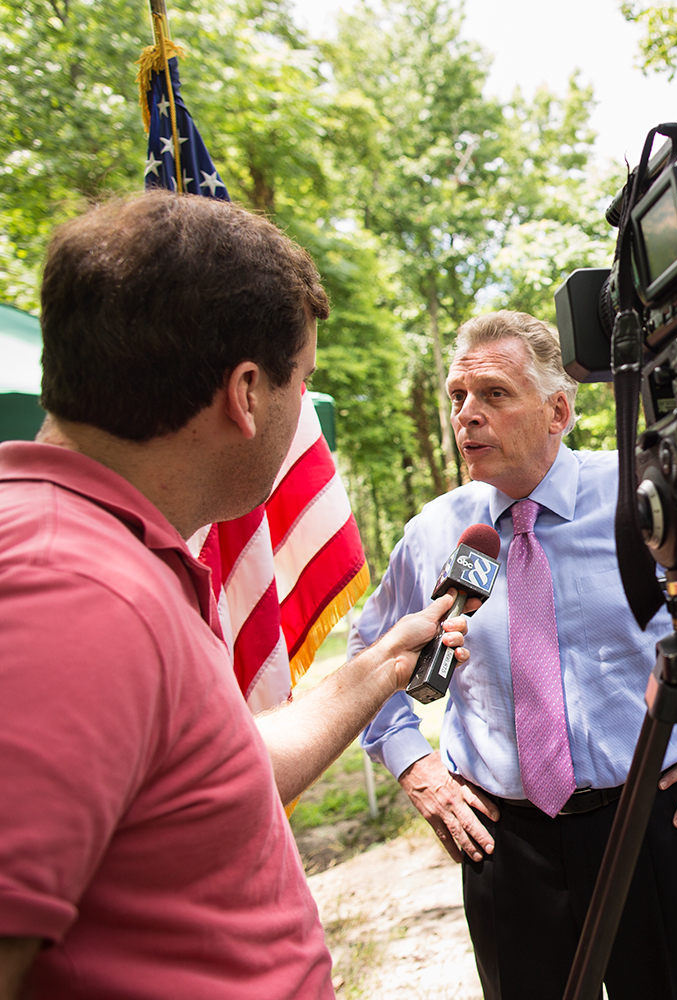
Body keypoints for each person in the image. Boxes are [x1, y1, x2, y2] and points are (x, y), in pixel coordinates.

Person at [0, 190, 472, 1000]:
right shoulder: (71, 589)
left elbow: (217, 773)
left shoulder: (110, 554)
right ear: (247, 393)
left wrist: (386, 664)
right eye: (304, 383)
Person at [354, 310, 677, 1000]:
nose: (467, 416)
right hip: (508, 845)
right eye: (457, 398)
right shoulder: (435, 532)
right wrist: (417, 770)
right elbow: (369, 660)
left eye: (494, 394)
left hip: (657, 823)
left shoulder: (643, 495)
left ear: (557, 410)